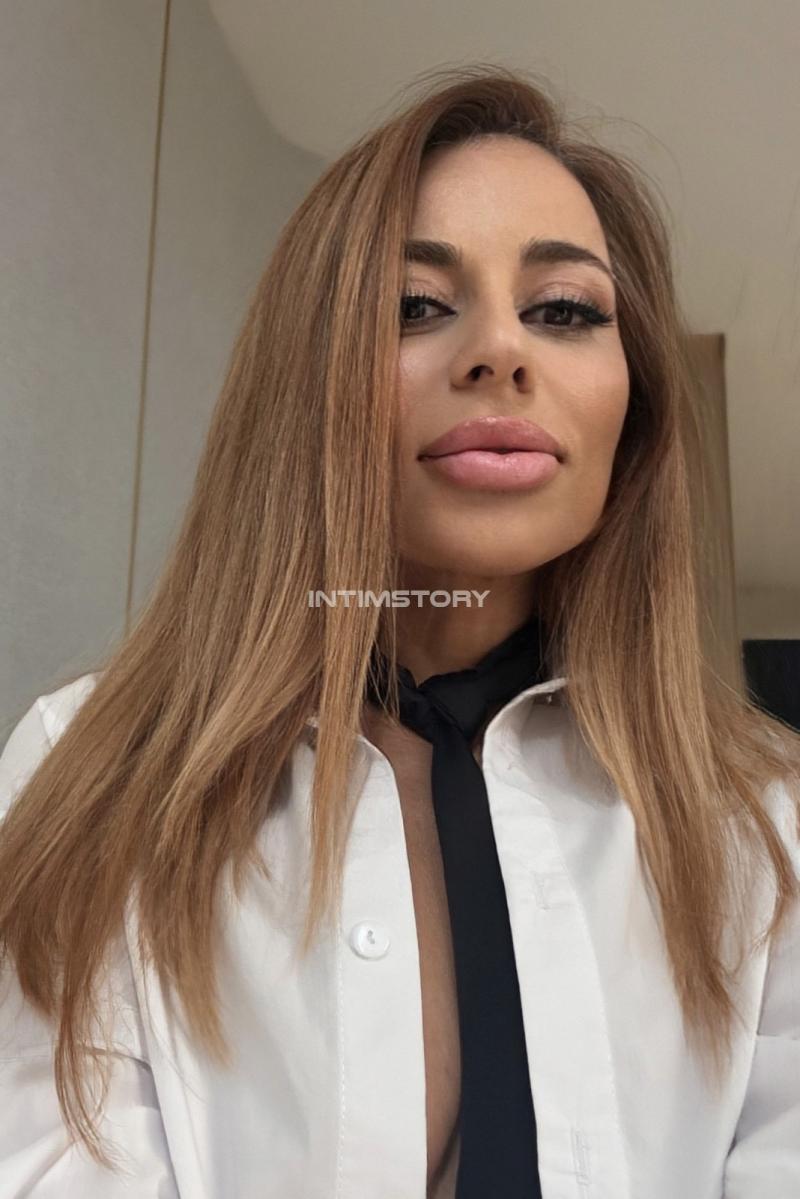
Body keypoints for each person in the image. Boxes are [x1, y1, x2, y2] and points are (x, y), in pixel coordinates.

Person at [1, 63, 799, 1199]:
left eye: (563, 310)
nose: (500, 353)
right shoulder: (86, 773)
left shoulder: (768, 824)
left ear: (636, 406)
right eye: (415, 305)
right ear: (306, 380)